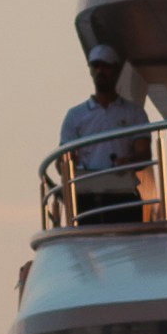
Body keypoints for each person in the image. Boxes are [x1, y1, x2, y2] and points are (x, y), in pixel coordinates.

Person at [58, 47, 153, 228]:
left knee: (129, 247)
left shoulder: (134, 113)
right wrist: (69, 161)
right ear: (91, 70)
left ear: (116, 70)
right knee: (87, 250)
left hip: (123, 193)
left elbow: (144, 153)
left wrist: (129, 161)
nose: (100, 71)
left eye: (106, 66)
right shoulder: (75, 115)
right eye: (96, 66)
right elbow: (62, 160)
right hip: (87, 196)